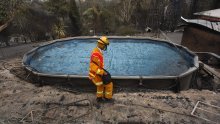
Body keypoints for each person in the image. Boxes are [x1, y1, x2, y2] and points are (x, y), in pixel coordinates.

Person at [89, 36, 113, 102]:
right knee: (109, 84)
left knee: (100, 86)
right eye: (105, 45)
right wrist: (102, 72)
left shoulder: (97, 51)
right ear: (101, 44)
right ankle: (108, 98)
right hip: (96, 74)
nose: (105, 47)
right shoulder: (96, 53)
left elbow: (97, 64)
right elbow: (92, 66)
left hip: (96, 73)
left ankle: (99, 98)